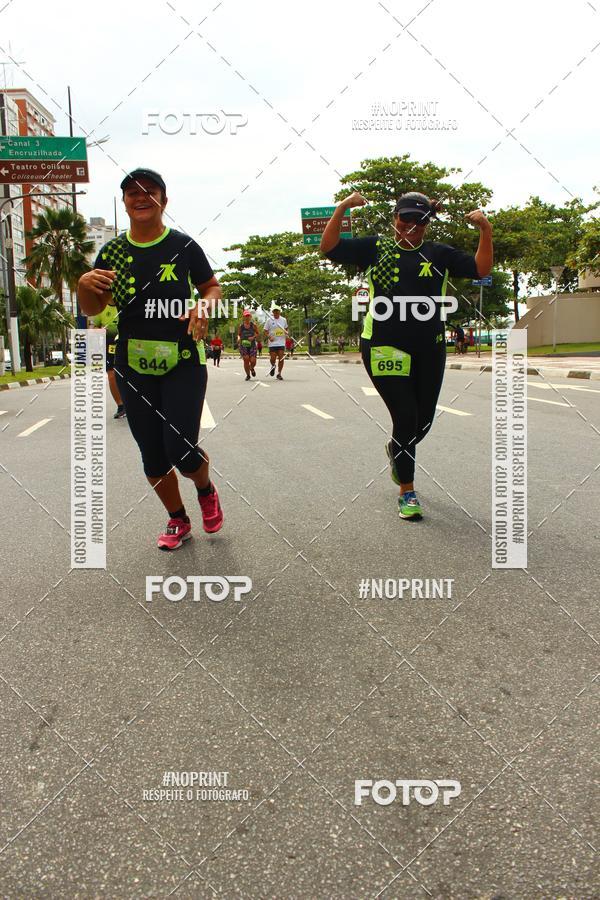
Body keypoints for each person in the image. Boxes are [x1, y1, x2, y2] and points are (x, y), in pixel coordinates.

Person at [321, 190, 492, 521]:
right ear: (395, 218)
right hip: (384, 346)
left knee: (422, 423)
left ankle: (396, 451)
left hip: (429, 347)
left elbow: (480, 267)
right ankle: (407, 491)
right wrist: (342, 207)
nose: (411, 225)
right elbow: (329, 248)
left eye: (419, 219)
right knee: (406, 416)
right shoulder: (377, 248)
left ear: (428, 223)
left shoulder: (438, 254)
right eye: (405, 218)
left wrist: (485, 230)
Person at [77, 167, 224, 550]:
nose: (141, 197)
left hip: (182, 360)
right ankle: (178, 520)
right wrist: (82, 286)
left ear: (164, 200)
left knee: (181, 448)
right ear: (124, 203)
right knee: (153, 456)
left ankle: (205, 489)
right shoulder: (111, 252)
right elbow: (96, 306)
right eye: (131, 193)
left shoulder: (183, 245)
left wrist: (204, 308)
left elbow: (210, 286)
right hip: (132, 362)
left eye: (150, 191)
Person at [89, 303, 126, 418]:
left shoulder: (124, 303)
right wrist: (99, 330)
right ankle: (121, 405)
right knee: (111, 375)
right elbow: (93, 328)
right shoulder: (101, 308)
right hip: (109, 344)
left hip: (126, 342)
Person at [264, 305, 288, 380]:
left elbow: (286, 328)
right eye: (274, 311)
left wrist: (287, 333)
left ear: (279, 312)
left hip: (281, 342)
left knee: (281, 358)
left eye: (277, 311)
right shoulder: (269, 320)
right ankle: (273, 365)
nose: (276, 312)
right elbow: (265, 331)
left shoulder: (283, 320)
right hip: (272, 343)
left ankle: (279, 373)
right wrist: (269, 337)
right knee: (273, 358)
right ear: (273, 312)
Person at [238, 309, 259, 380]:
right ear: (243, 317)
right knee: (246, 359)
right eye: (245, 316)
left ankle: (251, 368)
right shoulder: (241, 326)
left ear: (250, 317)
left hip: (252, 345)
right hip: (243, 345)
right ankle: (248, 375)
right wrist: (238, 338)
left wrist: (253, 337)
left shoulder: (253, 325)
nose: (247, 317)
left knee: (253, 361)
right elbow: (239, 334)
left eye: (248, 316)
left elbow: (257, 333)